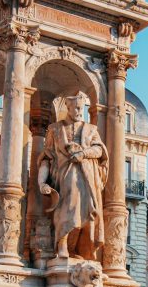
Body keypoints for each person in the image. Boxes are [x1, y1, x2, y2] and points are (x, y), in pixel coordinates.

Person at [37, 92, 109, 260]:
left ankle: (74, 249)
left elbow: (100, 151)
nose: (79, 111)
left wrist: (84, 154)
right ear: (68, 108)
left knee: (86, 213)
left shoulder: (91, 129)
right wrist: (41, 182)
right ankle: (62, 246)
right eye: (75, 108)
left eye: (81, 108)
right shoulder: (55, 129)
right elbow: (46, 158)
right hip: (64, 174)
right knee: (69, 207)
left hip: (87, 177)